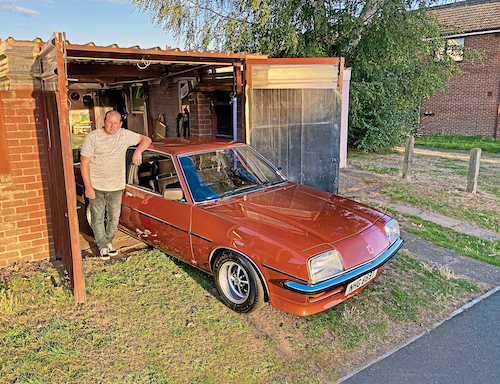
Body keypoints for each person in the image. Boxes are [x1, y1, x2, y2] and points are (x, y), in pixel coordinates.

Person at [80, 110, 152, 260]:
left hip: (116, 186)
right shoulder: (92, 138)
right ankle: (102, 246)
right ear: (104, 122)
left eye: (115, 123)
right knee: (98, 217)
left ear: (120, 124)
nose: (112, 126)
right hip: (97, 186)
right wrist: (88, 187)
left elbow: (146, 139)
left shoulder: (124, 134)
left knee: (114, 217)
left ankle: (109, 242)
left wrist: (138, 151)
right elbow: (84, 163)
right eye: (109, 122)